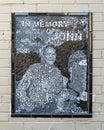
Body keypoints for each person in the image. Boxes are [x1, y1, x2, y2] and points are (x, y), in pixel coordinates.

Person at [16, 45, 68, 113]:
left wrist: (64, 87)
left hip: (51, 109)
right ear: (43, 56)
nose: (51, 56)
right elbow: (20, 89)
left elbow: (60, 93)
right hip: (34, 109)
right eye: (48, 54)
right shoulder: (34, 68)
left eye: (53, 54)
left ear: (55, 56)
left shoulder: (58, 72)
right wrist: (27, 103)